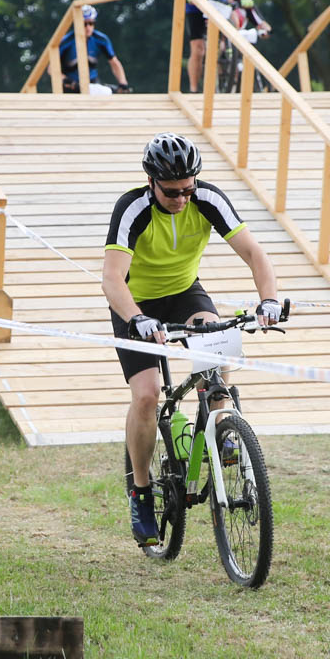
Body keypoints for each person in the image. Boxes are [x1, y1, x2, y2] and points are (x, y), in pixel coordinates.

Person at [104, 133, 283, 546]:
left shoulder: (207, 198)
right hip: (135, 302)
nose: (182, 199)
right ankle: (141, 492)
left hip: (185, 293)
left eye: (188, 189)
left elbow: (255, 253)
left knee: (217, 351)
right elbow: (112, 278)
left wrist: (269, 299)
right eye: (172, 192)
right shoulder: (132, 208)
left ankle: (224, 430)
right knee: (147, 396)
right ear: (151, 182)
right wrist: (137, 317)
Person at [57, 5, 134, 94]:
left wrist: (123, 84)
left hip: (93, 83)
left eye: (91, 23)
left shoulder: (101, 39)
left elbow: (114, 62)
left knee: (109, 92)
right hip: (70, 86)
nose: (88, 27)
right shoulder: (65, 41)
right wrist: (66, 80)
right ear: (76, 23)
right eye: (84, 24)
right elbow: (51, 69)